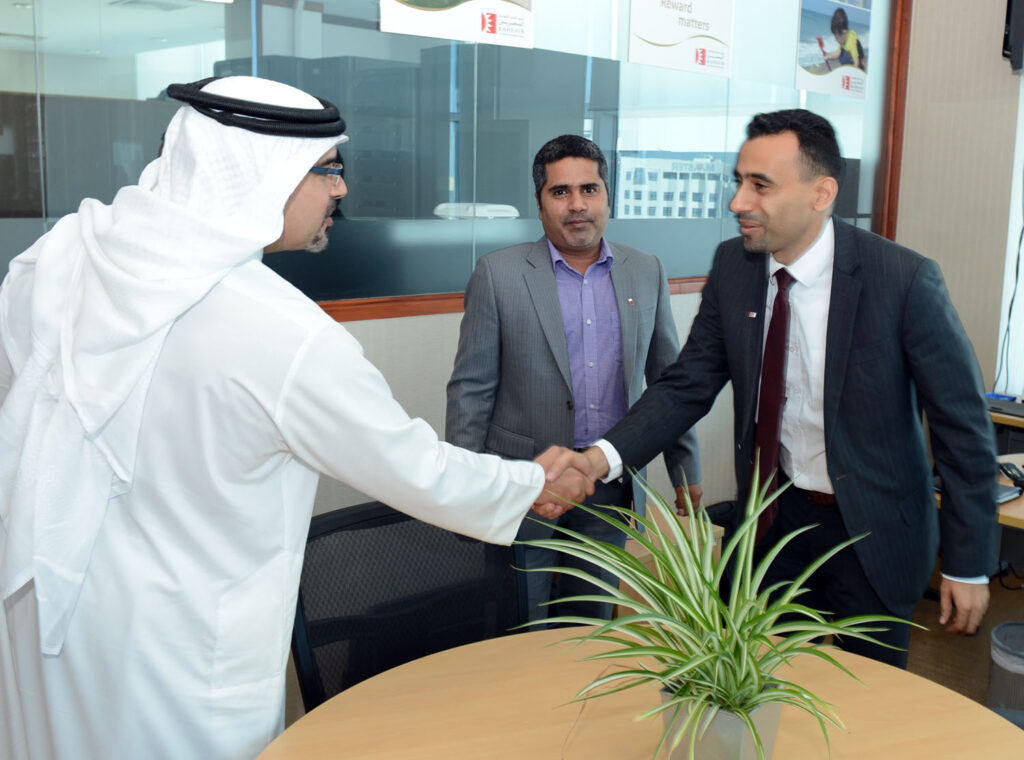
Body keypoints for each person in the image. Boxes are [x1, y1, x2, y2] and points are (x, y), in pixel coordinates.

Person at [0, 76, 590, 760]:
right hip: (178, 660)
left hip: (47, 609)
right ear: (260, 174)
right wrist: (533, 482)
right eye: (326, 169)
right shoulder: (282, 334)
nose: (341, 188)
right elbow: (414, 469)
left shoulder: (62, 258)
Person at [558, 109, 998, 667]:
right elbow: (687, 384)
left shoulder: (902, 280)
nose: (737, 202)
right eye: (739, 181)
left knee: (869, 697)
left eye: (760, 185)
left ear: (821, 194)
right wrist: (597, 460)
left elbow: (963, 427)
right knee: (753, 684)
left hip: (873, 529)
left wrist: (968, 563)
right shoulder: (734, 265)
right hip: (772, 521)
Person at [445, 134, 701, 623]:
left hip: (609, 479)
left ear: (608, 196)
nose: (577, 204)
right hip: (524, 482)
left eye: (589, 189)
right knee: (522, 622)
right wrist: (464, 486)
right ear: (540, 203)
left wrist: (685, 469)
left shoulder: (645, 270)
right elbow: (470, 389)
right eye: (560, 192)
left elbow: (669, 382)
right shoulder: (498, 274)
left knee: (592, 624)